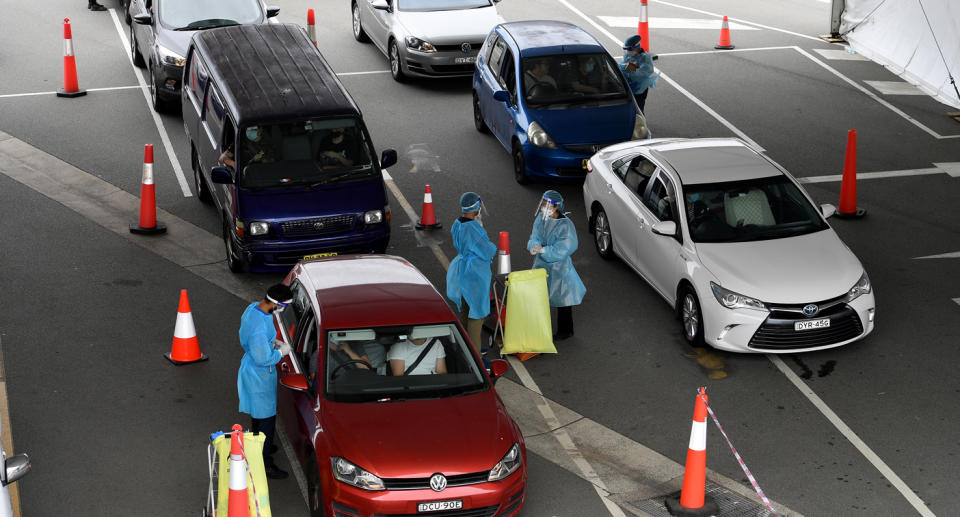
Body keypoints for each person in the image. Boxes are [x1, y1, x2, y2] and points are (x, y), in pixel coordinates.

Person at [237, 283, 293, 480]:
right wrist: (279, 352)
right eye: (284, 306)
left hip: (254, 370)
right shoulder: (260, 329)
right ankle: (264, 461)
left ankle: (260, 443)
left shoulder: (254, 308)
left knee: (259, 415)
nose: (283, 310)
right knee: (267, 419)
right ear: (277, 304)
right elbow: (263, 358)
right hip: (259, 374)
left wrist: (272, 344)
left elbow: (253, 342)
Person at [527, 190, 586, 341]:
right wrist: (534, 245)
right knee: (539, 296)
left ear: (556, 207)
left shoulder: (565, 225)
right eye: (543, 204)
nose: (544, 208)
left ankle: (565, 330)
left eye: (547, 205)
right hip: (542, 264)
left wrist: (544, 250)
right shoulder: (542, 218)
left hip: (560, 268)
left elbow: (565, 247)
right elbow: (535, 234)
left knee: (563, 300)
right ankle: (539, 330)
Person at [446, 192, 497, 354]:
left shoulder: (457, 223)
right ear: (476, 207)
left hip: (461, 270)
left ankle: (465, 348)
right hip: (475, 273)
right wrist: (488, 239)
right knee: (477, 313)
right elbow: (487, 250)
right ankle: (475, 356)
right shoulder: (474, 228)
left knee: (465, 308)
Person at [619, 35, 660, 113]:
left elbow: (646, 72)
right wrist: (623, 67)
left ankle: (641, 123)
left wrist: (631, 69)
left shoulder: (645, 57)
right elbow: (622, 64)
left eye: (629, 49)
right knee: (630, 107)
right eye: (626, 49)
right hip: (630, 85)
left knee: (638, 109)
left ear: (637, 47)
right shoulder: (628, 55)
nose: (627, 51)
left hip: (640, 88)